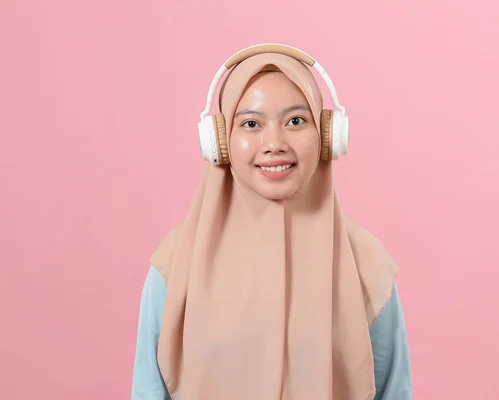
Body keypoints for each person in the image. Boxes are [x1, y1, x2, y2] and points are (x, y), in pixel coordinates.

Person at [131, 44, 412, 400]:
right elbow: (148, 390)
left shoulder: (365, 266)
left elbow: (394, 391)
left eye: (296, 121)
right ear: (220, 141)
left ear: (327, 135)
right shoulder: (176, 266)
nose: (274, 143)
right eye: (251, 124)